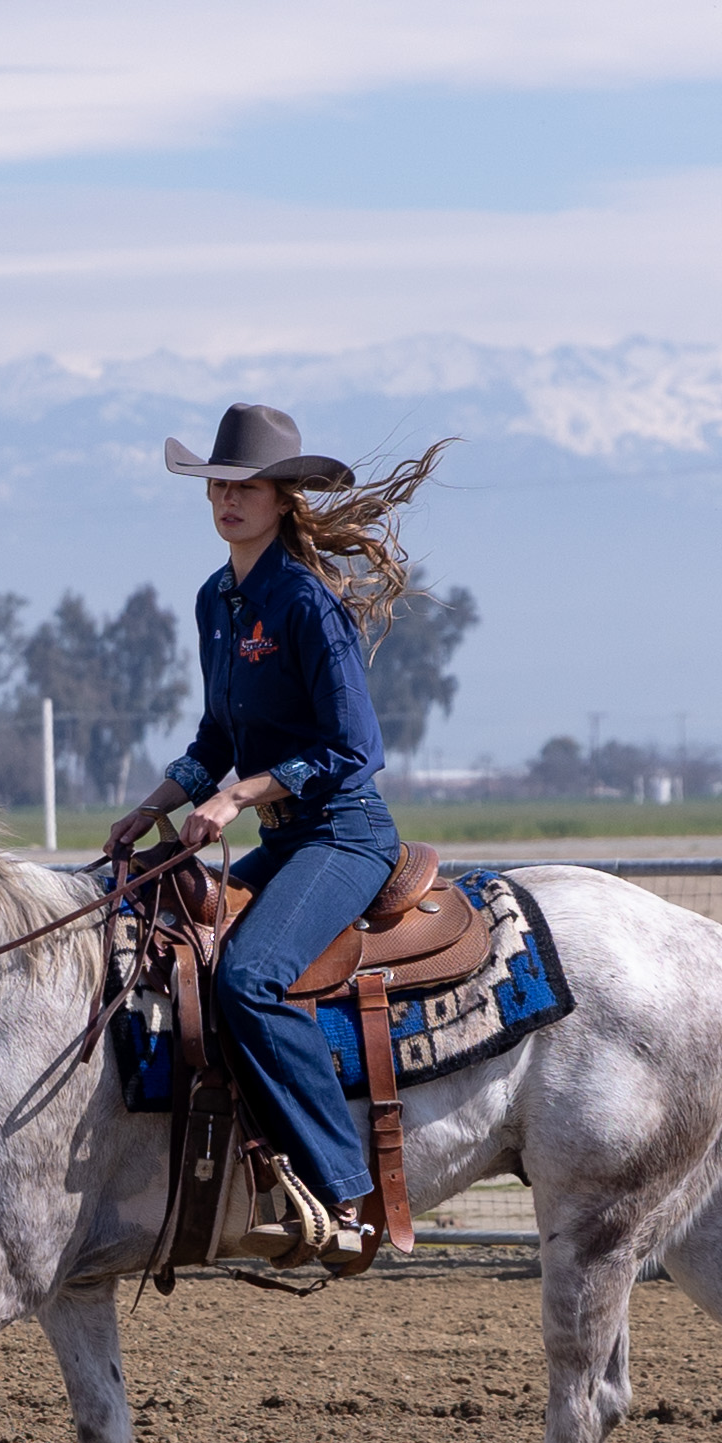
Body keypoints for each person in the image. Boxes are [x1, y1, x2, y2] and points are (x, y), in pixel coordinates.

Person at [105, 403, 450, 1254]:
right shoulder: (215, 600)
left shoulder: (306, 601)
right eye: (218, 483)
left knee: (250, 978)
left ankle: (343, 1194)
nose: (228, 498)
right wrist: (154, 803)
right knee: (166, 941)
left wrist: (238, 795)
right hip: (287, 837)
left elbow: (353, 747)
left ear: (284, 496)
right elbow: (216, 737)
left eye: (247, 485)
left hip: (344, 833)